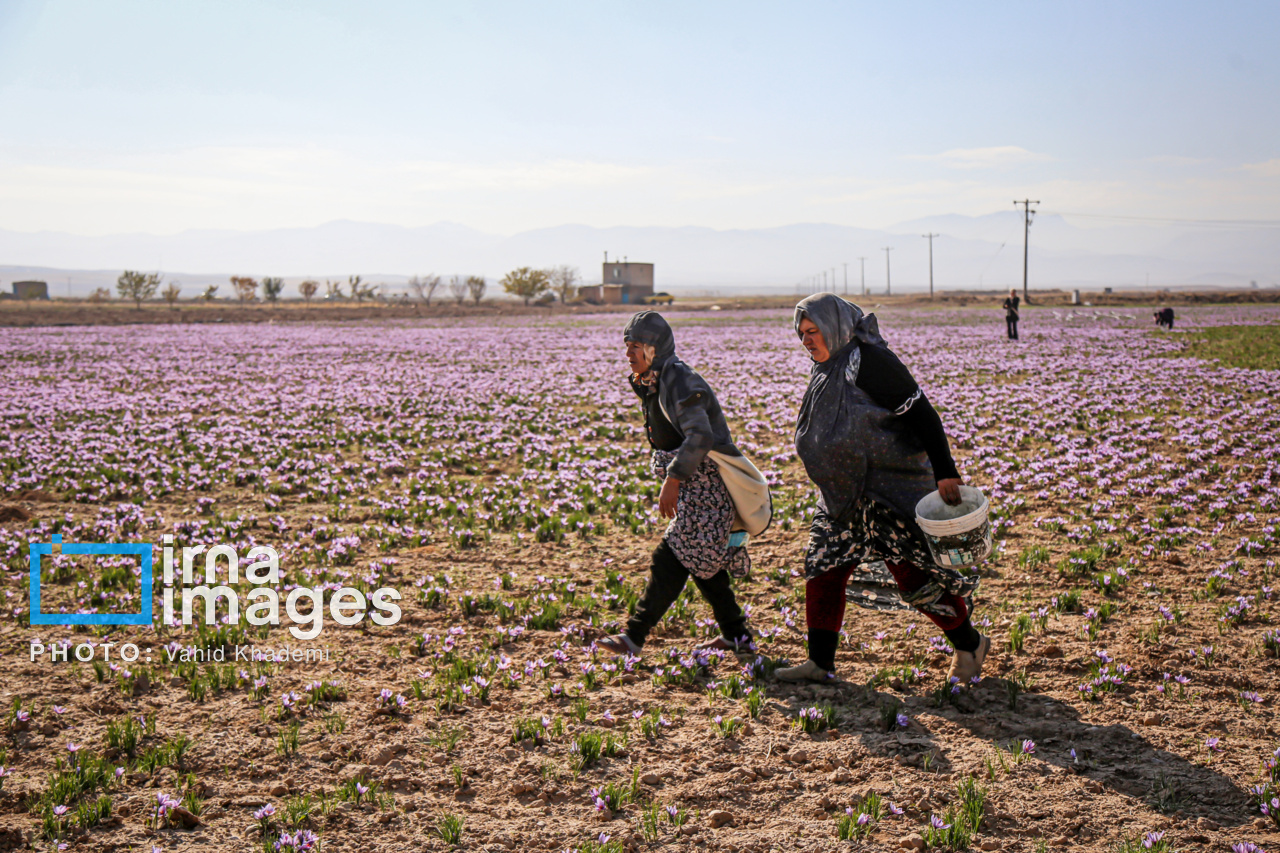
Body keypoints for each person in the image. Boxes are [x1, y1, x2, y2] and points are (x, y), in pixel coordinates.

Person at [775, 293, 990, 684]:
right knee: (824, 568)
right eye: (801, 333)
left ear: (835, 327)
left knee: (914, 578)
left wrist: (945, 471)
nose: (806, 340)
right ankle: (819, 663)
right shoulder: (826, 366)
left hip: (889, 492)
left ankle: (969, 643)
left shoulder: (870, 361)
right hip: (843, 498)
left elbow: (923, 415)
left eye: (813, 331)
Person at [598, 311, 755, 657]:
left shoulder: (681, 381)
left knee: (670, 558)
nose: (628, 354)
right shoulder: (658, 378)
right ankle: (738, 636)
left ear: (654, 348)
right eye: (627, 346)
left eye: (635, 346)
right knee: (702, 564)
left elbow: (701, 435)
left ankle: (633, 636)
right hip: (694, 487)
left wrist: (673, 478)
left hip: (707, 487)